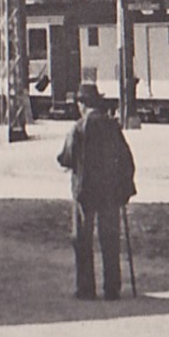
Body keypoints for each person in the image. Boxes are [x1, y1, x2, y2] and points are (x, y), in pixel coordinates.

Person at [57, 84, 136, 300]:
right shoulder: (112, 127)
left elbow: (66, 157)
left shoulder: (79, 128)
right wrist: (125, 187)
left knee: (82, 239)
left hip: (85, 192)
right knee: (109, 238)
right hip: (110, 191)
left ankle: (86, 288)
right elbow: (127, 159)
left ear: (82, 104)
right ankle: (112, 288)